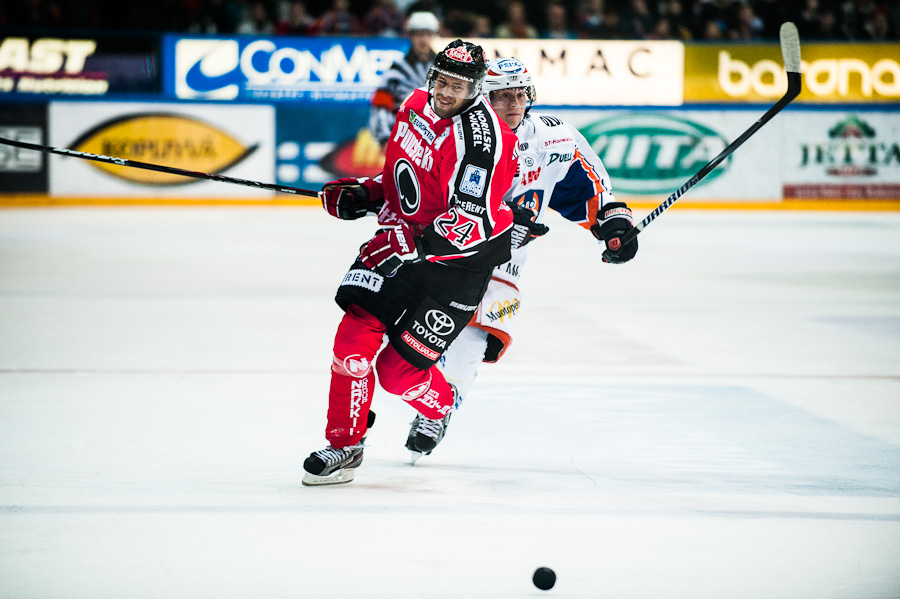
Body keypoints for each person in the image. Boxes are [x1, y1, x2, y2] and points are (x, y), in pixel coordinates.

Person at [303, 40, 519, 486]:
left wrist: (406, 238)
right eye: (440, 80)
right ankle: (345, 445)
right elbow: (402, 176)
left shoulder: (484, 142)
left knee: (398, 375)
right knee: (352, 338)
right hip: (402, 246)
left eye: (457, 86)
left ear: (476, 88)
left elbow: (466, 222)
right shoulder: (415, 104)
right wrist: (366, 193)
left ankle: (440, 406)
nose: (445, 92)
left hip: (457, 267)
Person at [406, 56, 639, 461]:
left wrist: (612, 222)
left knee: (471, 336)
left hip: (505, 261)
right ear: (484, 98)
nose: (513, 104)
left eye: (520, 95)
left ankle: (437, 411)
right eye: (502, 97)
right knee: (413, 337)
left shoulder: (554, 138)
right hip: (450, 248)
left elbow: (588, 188)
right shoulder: (459, 133)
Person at [367, 11, 440, 147]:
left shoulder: (444, 71)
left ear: (433, 35)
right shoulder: (396, 71)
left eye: (427, 34)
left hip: (437, 142)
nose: (423, 39)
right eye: (418, 34)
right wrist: (384, 138)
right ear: (410, 36)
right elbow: (380, 106)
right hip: (403, 141)